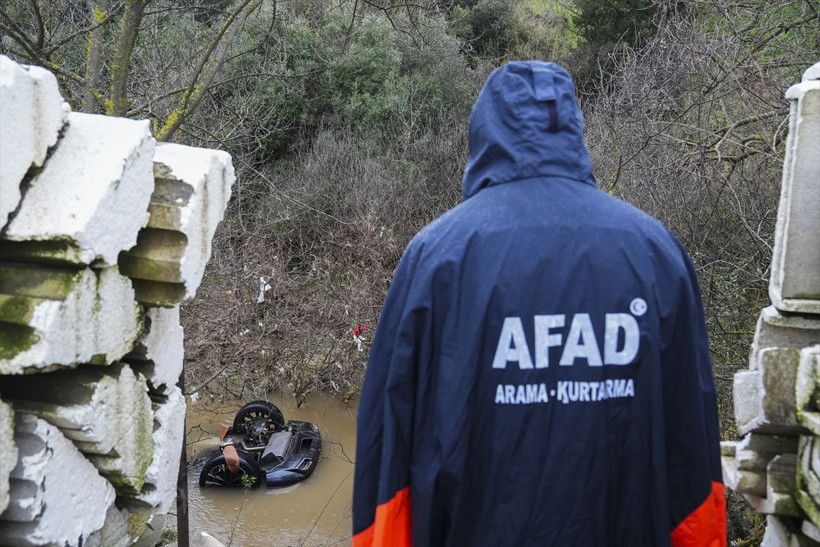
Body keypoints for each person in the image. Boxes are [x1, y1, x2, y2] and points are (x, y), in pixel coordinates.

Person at [352, 61, 726, 547]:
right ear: (572, 127)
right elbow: (692, 455)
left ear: (483, 133)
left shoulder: (435, 257)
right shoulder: (656, 253)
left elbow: (387, 449)